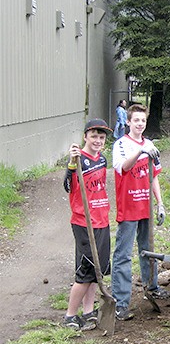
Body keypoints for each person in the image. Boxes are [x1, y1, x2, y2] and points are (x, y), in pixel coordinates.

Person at [111, 104, 170, 321]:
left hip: (146, 206)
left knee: (148, 249)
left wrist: (160, 203)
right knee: (123, 255)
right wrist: (139, 151)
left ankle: (152, 286)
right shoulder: (120, 145)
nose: (139, 124)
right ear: (128, 122)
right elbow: (123, 168)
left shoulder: (150, 145)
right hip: (128, 206)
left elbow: (154, 175)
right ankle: (120, 302)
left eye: (143, 121)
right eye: (136, 120)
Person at [62, 119, 112, 330]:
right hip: (84, 222)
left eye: (101, 137)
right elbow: (67, 185)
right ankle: (70, 315)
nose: (98, 141)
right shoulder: (78, 160)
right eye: (94, 137)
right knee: (85, 269)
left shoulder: (102, 159)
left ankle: (89, 310)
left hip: (102, 218)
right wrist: (72, 163)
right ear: (85, 137)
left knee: (97, 270)